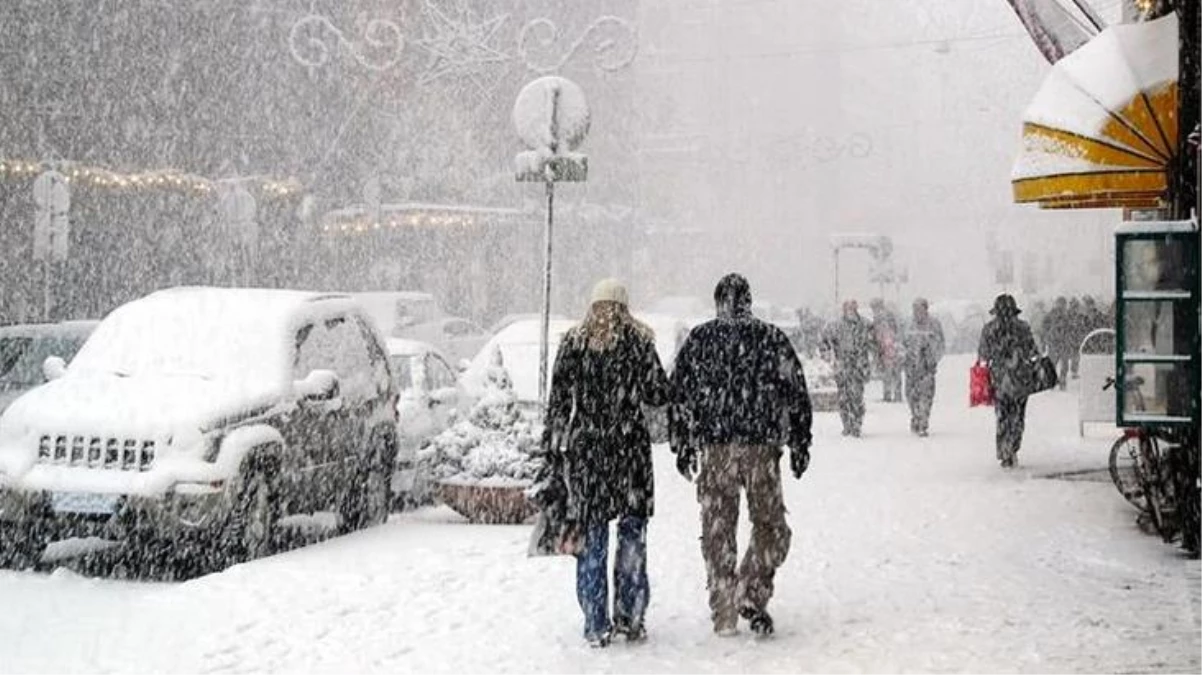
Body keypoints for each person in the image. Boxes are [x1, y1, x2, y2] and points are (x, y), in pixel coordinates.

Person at [669, 273, 812, 637]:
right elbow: (795, 391)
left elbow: (679, 395)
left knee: (717, 532)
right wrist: (800, 439)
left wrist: (683, 441)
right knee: (771, 527)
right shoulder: (770, 338)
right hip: (760, 449)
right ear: (749, 300)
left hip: (717, 450)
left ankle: (724, 607)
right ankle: (751, 588)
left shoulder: (701, 340)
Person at [542, 278, 671, 647]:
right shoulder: (638, 344)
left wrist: (553, 448)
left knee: (592, 541)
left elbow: (559, 403)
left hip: (589, 456)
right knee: (631, 540)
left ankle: (595, 622)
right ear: (625, 307)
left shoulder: (573, 344)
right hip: (629, 454)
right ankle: (630, 618)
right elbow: (657, 392)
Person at [978, 294, 1038, 468]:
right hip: (1020, 378)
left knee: (1003, 415)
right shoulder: (1023, 328)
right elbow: (1033, 351)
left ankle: (1005, 450)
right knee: (1017, 416)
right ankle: (1012, 447)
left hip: (999, 379)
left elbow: (983, 354)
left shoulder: (989, 329)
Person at [824, 299, 873, 437]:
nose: (850, 311)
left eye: (853, 308)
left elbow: (874, 343)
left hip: (859, 366)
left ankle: (856, 424)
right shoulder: (836, 326)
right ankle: (846, 424)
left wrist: (872, 358)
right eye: (847, 308)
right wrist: (828, 355)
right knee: (843, 398)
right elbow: (825, 341)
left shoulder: (865, 324)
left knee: (857, 397)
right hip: (842, 366)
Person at [902, 298, 945, 437]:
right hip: (911, 367)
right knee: (911, 395)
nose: (917, 312)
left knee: (926, 396)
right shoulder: (908, 324)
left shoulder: (934, 324)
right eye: (915, 309)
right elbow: (901, 343)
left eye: (920, 309)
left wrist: (933, 359)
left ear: (926, 309)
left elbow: (940, 344)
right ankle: (916, 415)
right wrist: (904, 357)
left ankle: (923, 421)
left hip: (927, 368)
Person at [869, 298, 903, 402]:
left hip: (887, 348)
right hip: (890, 348)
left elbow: (880, 334)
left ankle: (889, 394)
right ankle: (896, 394)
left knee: (889, 373)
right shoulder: (888, 316)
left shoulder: (881, 317)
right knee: (894, 373)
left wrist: (878, 345)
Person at [1041, 297, 1072, 390]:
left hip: (1063, 343)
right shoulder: (1051, 314)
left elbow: (1070, 328)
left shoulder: (1066, 315)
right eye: (1060, 303)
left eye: (1063, 304)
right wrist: (1047, 336)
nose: (1062, 306)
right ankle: (1052, 381)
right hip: (1054, 343)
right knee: (1053, 363)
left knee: (1064, 364)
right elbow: (1044, 327)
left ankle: (1062, 380)